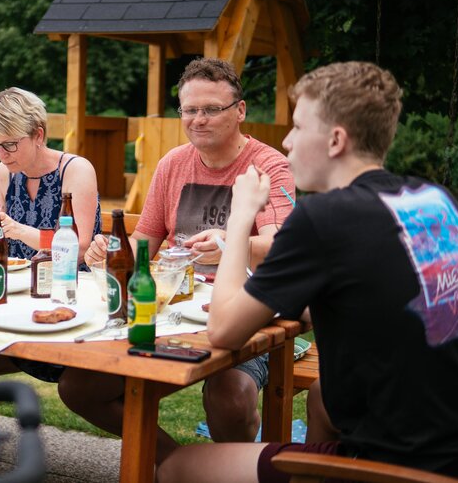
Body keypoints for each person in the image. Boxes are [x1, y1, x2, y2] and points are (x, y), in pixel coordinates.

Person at [157, 61, 458, 482]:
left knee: (177, 467)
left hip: (408, 465)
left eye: (298, 127)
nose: (287, 142)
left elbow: (222, 331)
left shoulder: (324, 218)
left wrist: (239, 219)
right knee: (321, 395)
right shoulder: (434, 201)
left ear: (335, 140)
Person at [59, 58, 296, 463]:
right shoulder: (172, 163)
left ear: (239, 110)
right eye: (190, 110)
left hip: (244, 312)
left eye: (211, 109)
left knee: (231, 399)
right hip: (170, 312)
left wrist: (232, 239)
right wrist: (109, 250)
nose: (198, 120)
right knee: (78, 388)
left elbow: (282, 246)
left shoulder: (269, 165)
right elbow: (143, 242)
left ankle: (233, 471)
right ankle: (173, 464)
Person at [0, 86, 101, 262]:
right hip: (17, 280)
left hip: (69, 281)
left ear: (38, 135)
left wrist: (19, 230)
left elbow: (79, 247)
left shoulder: (75, 170)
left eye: (10, 144)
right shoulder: (2, 173)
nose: (1, 154)